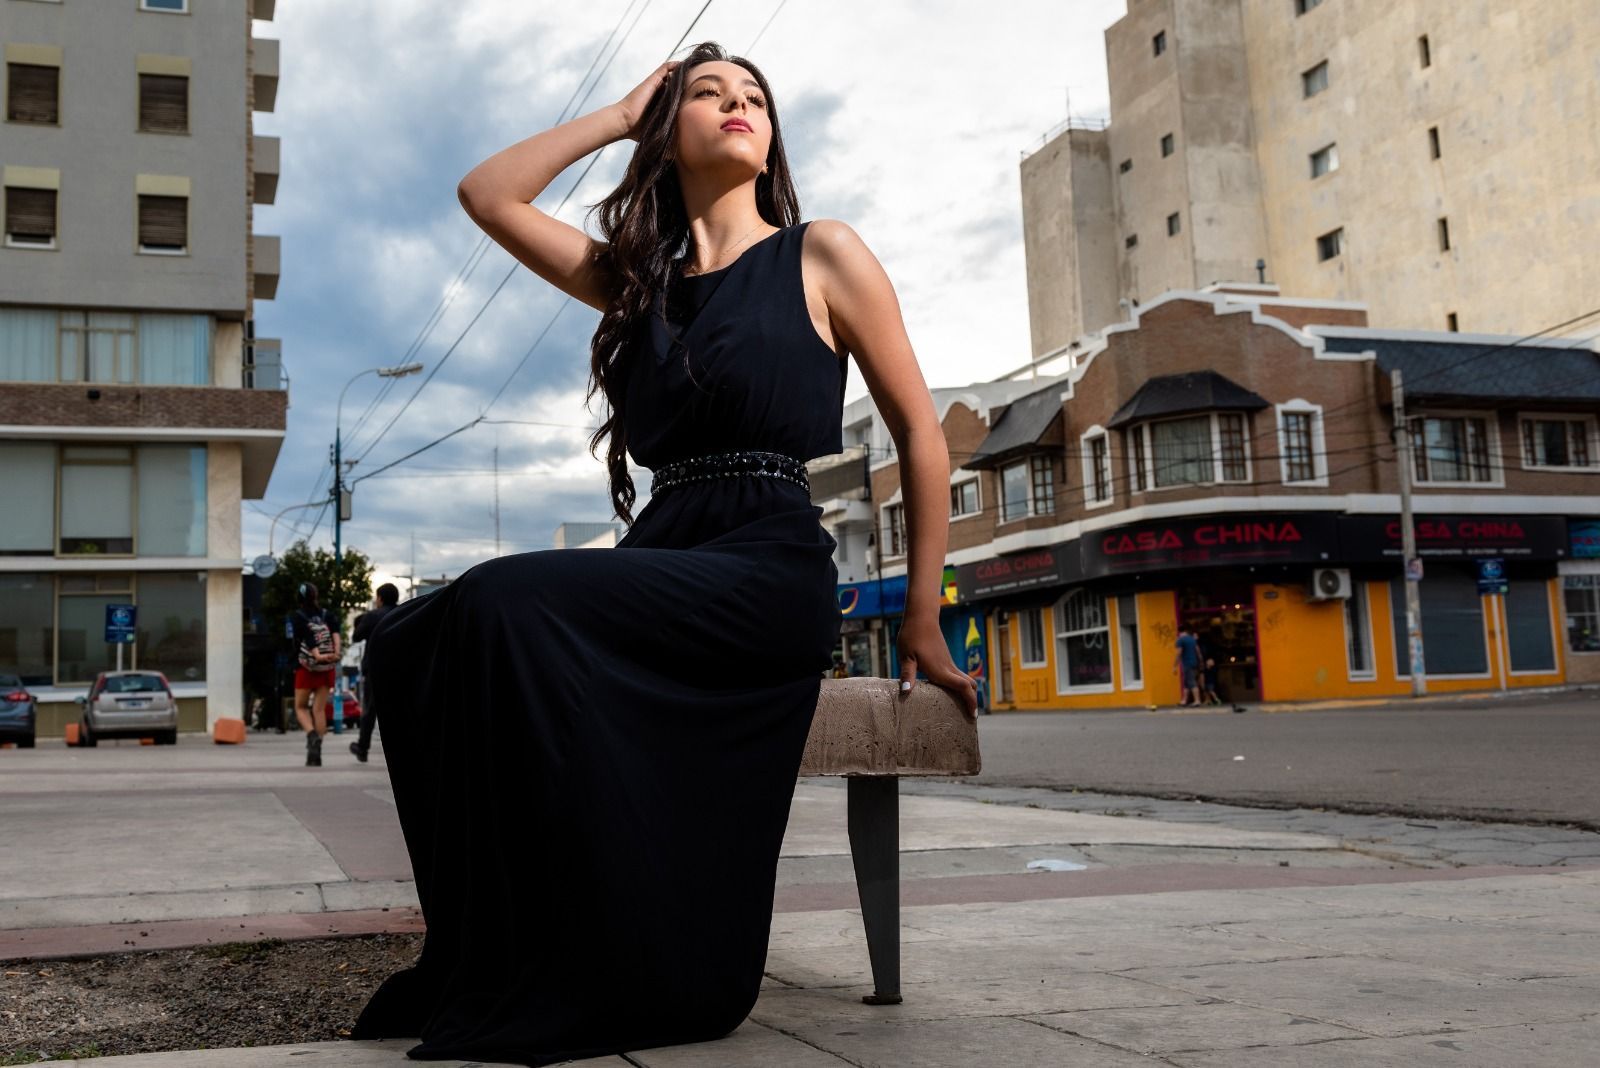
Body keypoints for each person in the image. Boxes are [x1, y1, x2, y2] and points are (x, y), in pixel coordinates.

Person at [351, 43, 978, 1064]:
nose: (739, 106)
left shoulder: (822, 253)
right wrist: (614, 114)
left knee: (508, 599)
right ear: (666, 127)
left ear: (772, 137)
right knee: (413, 638)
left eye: (755, 98)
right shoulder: (637, 287)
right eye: (708, 93)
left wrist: (921, 614)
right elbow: (487, 192)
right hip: (665, 553)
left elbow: (920, 431)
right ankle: (504, 948)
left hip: (767, 565)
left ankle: (626, 968)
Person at [289, 582, 339, 767]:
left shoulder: (299, 616)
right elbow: (336, 634)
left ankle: (311, 736)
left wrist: (316, 654)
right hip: (327, 667)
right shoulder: (327, 615)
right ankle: (316, 752)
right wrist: (335, 654)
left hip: (307, 667)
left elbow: (305, 637)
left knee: (301, 707)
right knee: (319, 710)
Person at [347, 583, 399, 763]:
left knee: (370, 710)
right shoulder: (404, 612)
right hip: (399, 668)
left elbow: (356, 637)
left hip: (376, 669)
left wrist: (362, 621)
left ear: (380, 598)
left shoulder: (372, 616)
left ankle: (362, 748)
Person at [1173, 623, 1202, 707]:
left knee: (1192, 682)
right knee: (1186, 683)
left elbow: (1179, 653)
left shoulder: (1180, 640)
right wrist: (1200, 662)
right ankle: (1184, 700)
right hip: (1194, 663)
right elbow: (1198, 651)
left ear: (1179, 632)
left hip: (1187, 663)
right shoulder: (1192, 639)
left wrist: (1175, 665)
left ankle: (1197, 700)